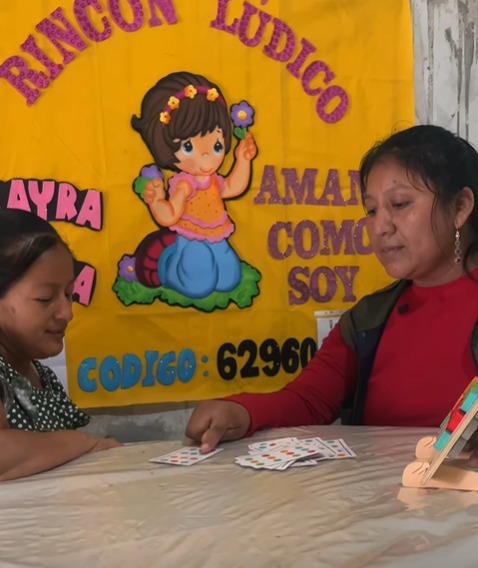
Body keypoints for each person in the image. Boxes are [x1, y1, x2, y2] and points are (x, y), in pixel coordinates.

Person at [186, 124, 478, 461]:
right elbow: (309, 400)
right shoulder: (368, 320)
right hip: (384, 493)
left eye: (399, 204)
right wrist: (241, 412)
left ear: (460, 207)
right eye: (371, 210)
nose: (380, 227)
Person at [0, 209, 121, 482]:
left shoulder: (40, 374)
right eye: (45, 299)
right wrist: (82, 442)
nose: (67, 313)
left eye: (69, 294)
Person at [131, 71, 257, 299]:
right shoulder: (185, 184)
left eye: (217, 145)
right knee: (198, 287)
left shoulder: (213, 180)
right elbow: (170, 215)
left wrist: (243, 160)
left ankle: (187, 266)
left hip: (217, 236)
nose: (207, 156)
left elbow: (232, 187)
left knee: (230, 279)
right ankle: (167, 267)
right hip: (191, 240)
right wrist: (156, 201)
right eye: (188, 147)